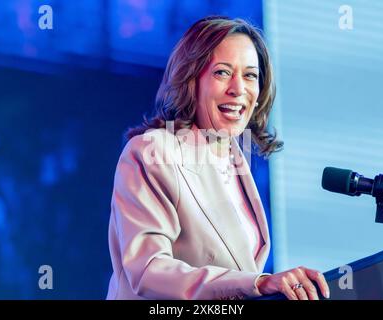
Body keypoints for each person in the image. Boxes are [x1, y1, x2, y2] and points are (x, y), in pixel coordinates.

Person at [106, 16, 330, 300]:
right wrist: (258, 284)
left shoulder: (236, 159)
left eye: (250, 75)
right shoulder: (153, 150)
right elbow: (149, 270)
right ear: (191, 79)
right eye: (223, 73)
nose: (238, 88)